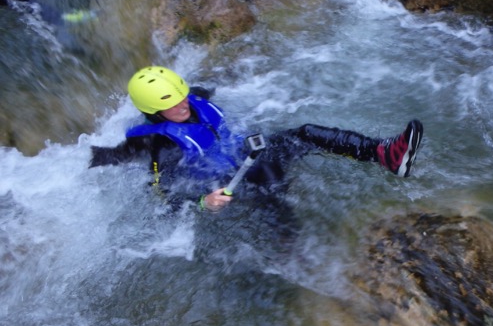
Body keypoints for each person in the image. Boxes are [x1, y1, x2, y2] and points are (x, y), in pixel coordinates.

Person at [90, 66, 423, 213]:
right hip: (228, 181)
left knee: (305, 133)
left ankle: (384, 154)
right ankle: (289, 252)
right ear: (152, 110)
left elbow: (217, 89)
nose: (182, 105)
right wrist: (203, 202)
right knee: (267, 181)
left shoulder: (191, 98)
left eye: (182, 96)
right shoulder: (157, 144)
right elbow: (164, 193)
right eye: (171, 104)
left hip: (244, 153)